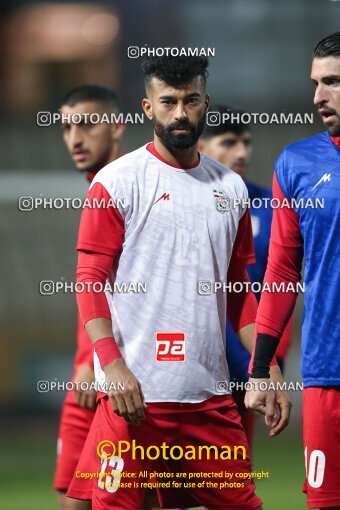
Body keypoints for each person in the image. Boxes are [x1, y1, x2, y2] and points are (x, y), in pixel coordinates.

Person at [66, 55, 290, 510]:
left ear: (205, 102)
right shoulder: (116, 182)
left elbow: (238, 293)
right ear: (147, 107)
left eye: (190, 100)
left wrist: (267, 367)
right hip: (133, 399)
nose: (180, 113)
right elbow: (89, 281)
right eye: (168, 101)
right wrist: (111, 367)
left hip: (210, 399)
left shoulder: (230, 189)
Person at [245, 32, 340, 510]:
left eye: (334, 82)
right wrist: (261, 369)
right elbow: (282, 271)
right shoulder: (298, 163)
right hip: (327, 373)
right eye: (316, 83)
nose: (318, 97)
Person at [199, 106, 293, 444]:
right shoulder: (180, 202)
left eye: (246, 143)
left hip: (249, 363)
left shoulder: (270, 206)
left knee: (227, 481)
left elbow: (281, 287)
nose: (242, 152)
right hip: (189, 360)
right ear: (201, 147)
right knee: (165, 486)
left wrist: (267, 358)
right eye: (229, 142)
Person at [54, 84, 125, 510]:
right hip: (89, 369)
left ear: (117, 126)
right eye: (66, 127)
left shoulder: (135, 186)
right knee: (72, 499)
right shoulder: (95, 187)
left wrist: (94, 359)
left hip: (119, 372)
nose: (74, 138)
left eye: (86, 123)